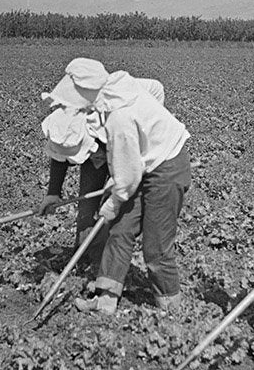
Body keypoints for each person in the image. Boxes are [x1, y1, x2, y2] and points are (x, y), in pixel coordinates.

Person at [64, 62, 190, 316]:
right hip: (146, 163)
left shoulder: (118, 116)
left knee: (156, 244)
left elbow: (128, 175)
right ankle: (106, 299)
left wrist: (113, 201)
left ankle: (171, 309)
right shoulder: (117, 87)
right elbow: (126, 164)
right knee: (121, 228)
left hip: (167, 166)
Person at [36, 58, 165, 272]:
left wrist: (139, 151)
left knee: (118, 208)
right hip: (100, 148)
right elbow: (59, 157)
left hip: (126, 148)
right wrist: (53, 193)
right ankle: (87, 258)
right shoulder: (67, 115)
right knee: (88, 205)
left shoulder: (127, 94)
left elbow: (157, 90)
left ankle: (110, 264)